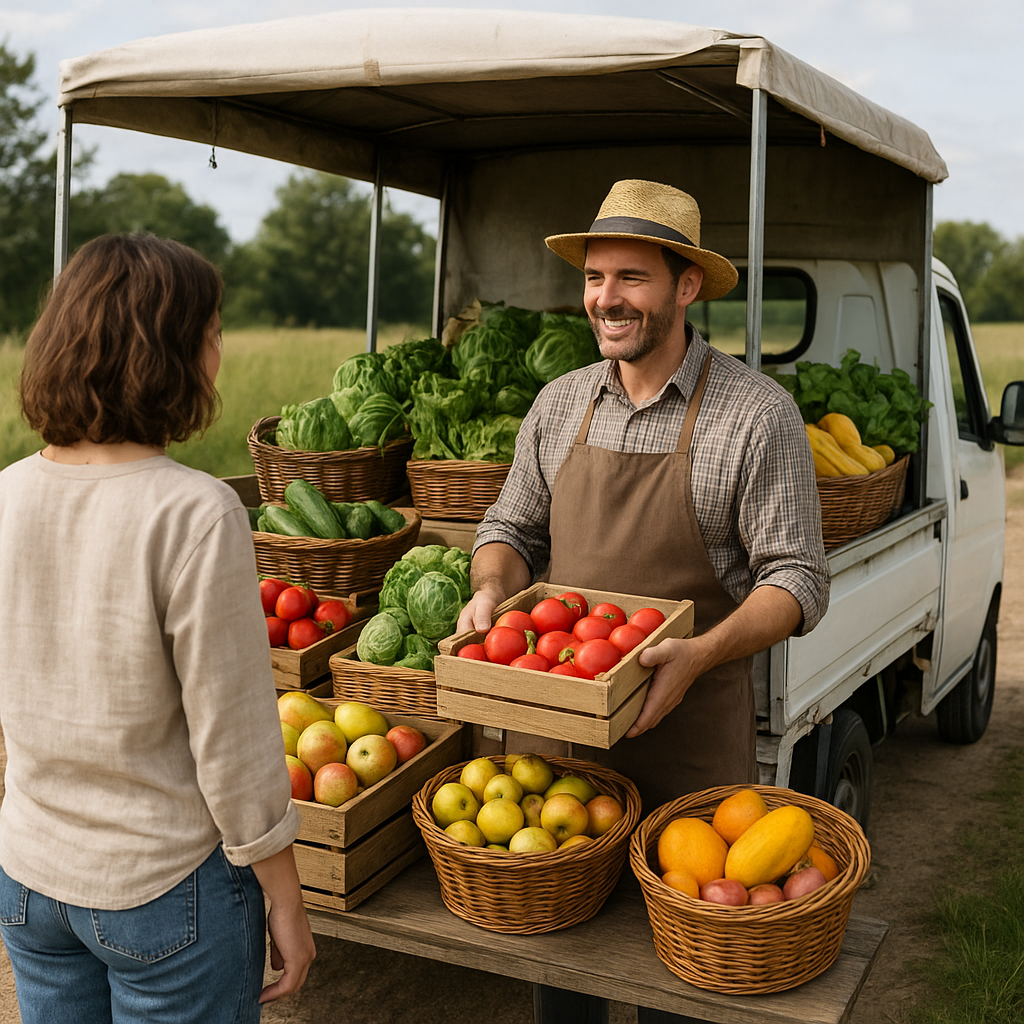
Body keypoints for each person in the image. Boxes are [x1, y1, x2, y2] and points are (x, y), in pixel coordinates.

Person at [456, 180, 830, 1023]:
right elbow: (509, 527)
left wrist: (697, 653)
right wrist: (489, 590)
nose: (605, 299)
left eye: (631, 277)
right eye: (595, 277)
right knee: (568, 983)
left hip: (689, 757)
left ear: (685, 286)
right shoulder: (560, 405)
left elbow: (798, 580)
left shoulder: (755, 414)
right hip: (559, 759)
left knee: (683, 989)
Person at [0, 233, 316, 1024]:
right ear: (169, 352)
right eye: (211, 332)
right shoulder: (196, 511)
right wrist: (286, 897)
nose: (220, 350)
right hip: (162, 886)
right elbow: (236, 741)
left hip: (30, 878)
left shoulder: (5, 494)